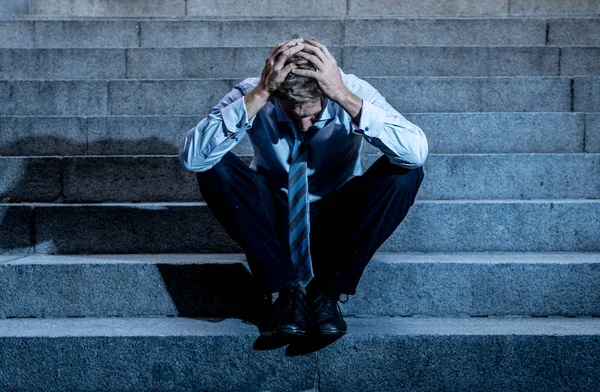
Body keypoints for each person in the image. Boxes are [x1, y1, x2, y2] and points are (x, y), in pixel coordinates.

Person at [179, 38, 428, 337]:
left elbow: (415, 153)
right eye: (293, 115)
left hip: (337, 214)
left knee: (405, 174)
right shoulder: (254, 91)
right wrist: (261, 94)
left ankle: (326, 293)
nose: (306, 125)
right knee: (213, 165)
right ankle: (287, 291)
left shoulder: (351, 90)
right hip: (273, 213)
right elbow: (193, 158)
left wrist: (343, 96)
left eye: (313, 114)